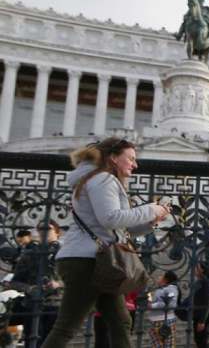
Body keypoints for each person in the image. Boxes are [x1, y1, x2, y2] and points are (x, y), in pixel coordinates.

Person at [41, 137, 171, 348]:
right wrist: (151, 209)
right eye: (131, 158)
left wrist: (151, 222)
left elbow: (117, 229)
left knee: (120, 321)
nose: (135, 164)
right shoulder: (103, 179)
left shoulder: (96, 179)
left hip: (99, 261)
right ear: (113, 157)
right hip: (87, 262)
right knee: (67, 327)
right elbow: (110, 218)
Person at [10, 220, 63, 348]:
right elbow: (15, 282)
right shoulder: (30, 254)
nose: (44, 232)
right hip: (33, 305)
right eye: (40, 229)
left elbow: (77, 279)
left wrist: (58, 284)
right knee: (32, 342)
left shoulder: (66, 253)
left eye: (48, 229)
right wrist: (30, 288)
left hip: (57, 305)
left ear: (57, 232)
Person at [147, 271, 179, 348]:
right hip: (156, 320)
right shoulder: (161, 289)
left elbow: (171, 304)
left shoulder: (171, 289)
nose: (159, 277)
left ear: (166, 279)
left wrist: (152, 306)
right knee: (157, 344)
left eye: (161, 276)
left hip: (164, 320)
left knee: (167, 344)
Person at [192, 262, 209, 348]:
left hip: (203, 316)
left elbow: (207, 302)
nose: (195, 270)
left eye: (197, 268)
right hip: (198, 314)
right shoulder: (200, 281)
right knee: (198, 340)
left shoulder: (206, 282)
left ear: (202, 270)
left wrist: (202, 321)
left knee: (201, 341)